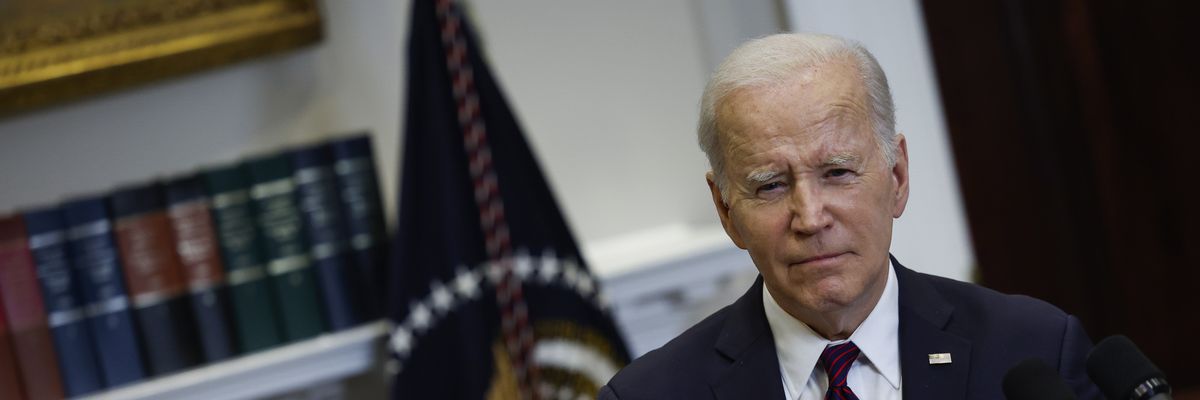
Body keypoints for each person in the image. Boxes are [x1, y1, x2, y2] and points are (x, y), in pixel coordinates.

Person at [599, 33, 1101, 399]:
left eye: (837, 172)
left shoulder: (1033, 351)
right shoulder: (651, 395)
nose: (810, 218)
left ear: (897, 177)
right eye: (770, 185)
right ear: (727, 211)